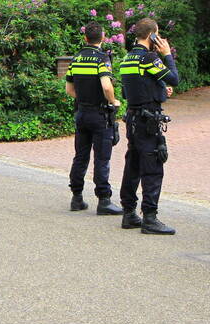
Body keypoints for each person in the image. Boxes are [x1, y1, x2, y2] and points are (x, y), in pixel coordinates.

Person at [118, 17, 179, 234]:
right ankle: (150, 218)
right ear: (152, 35)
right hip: (148, 121)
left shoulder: (127, 58)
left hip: (132, 119)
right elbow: (174, 78)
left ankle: (128, 213)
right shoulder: (149, 57)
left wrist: (160, 90)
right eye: (158, 34)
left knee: (133, 165)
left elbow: (128, 91)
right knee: (153, 167)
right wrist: (167, 54)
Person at [64, 21, 123, 215]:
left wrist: (83, 99)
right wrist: (113, 101)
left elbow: (69, 89)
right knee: (101, 158)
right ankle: (104, 200)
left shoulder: (76, 59)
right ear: (103, 37)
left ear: (85, 38)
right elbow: (106, 85)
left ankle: (76, 198)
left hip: (81, 113)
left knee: (80, 156)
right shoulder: (101, 58)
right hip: (99, 114)